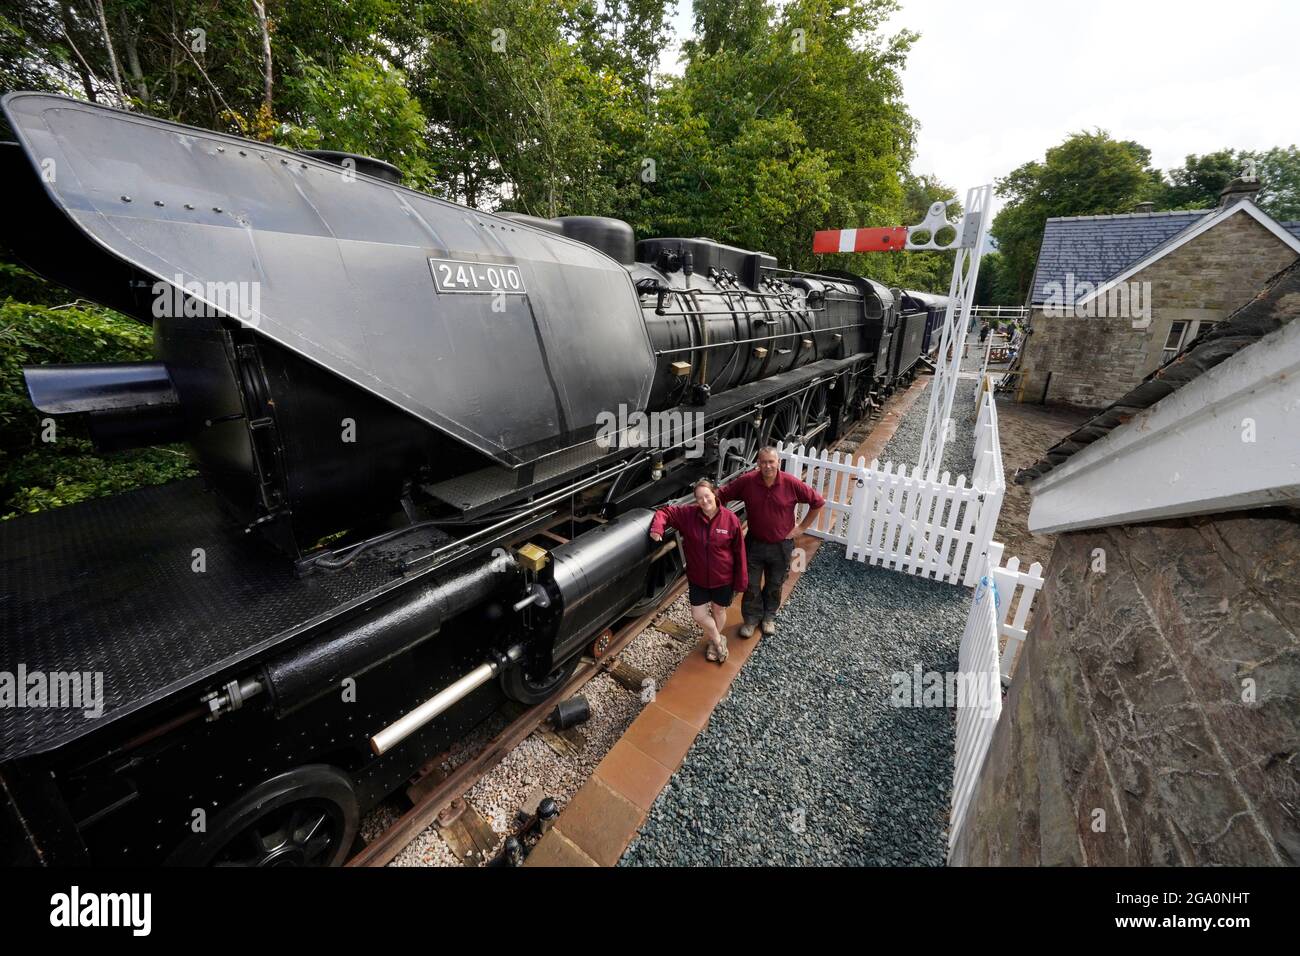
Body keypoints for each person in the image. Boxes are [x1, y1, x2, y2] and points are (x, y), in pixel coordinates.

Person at [718, 447, 824, 638]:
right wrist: (722, 524)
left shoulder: (791, 483)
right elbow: (722, 495)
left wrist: (801, 528)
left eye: (771, 462)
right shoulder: (748, 481)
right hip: (754, 544)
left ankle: (768, 617)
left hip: (781, 546)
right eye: (763, 462)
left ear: (779, 463)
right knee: (751, 584)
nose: (767, 466)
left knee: (775, 583)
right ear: (758, 463)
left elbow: (817, 502)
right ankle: (751, 620)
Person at [649, 478, 747, 664]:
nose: (704, 501)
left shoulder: (730, 519)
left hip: (723, 578)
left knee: (718, 611)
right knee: (698, 615)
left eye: (707, 496)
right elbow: (665, 511)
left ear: (715, 494)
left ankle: (712, 642)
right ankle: (719, 640)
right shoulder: (688, 515)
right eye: (699, 498)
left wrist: (741, 580)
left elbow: (739, 552)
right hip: (698, 578)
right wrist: (657, 528)